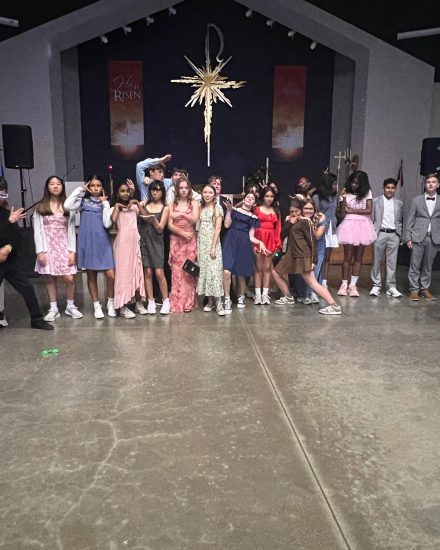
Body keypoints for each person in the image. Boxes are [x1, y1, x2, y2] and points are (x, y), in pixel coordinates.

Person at [271, 197, 342, 315]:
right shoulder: (294, 220)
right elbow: (282, 234)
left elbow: (312, 241)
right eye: (292, 211)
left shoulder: (306, 222)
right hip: (292, 255)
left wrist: (314, 260)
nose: (294, 213)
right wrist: (290, 222)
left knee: (312, 283)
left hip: (303, 255)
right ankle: (288, 296)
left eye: (296, 211)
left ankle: (333, 305)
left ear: (301, 210)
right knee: (275, 272)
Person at [0, 176, 53, 330]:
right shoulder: (9, 218)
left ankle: (37, 319)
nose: (1, 197)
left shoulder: (7, 213)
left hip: (9, 262)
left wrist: (8, 248)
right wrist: (9, 222)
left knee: (27, 288)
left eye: (3, 194)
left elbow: (17, 237)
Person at [64, 175, 116, 318]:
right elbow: (67, 205)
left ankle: (110, 303)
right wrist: (80, 190)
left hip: (103, 242)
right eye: (92, 185)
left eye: (98, 185)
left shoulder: (106, 203)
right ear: (88, 186)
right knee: (91, 275)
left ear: (102, 187)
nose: (95, 188)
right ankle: (96, 305)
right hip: (87, 242)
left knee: (111, 275)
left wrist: (105, 204)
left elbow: (107, 224)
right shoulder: (82, 202)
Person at [33, 175, 83, 321]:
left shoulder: (68, 207)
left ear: (62, 187)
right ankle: (53, 308)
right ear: (47, 187)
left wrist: (72, 251)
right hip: (48, 247)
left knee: (69, 277)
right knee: (50, 278)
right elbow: (37, 231)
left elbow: (72, 230)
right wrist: (40, 251)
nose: (55, 186)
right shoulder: (41, 207)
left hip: (64, 246)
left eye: (58, 184)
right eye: (52, 184)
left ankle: (70, 306)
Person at [222, 192, 268, 313]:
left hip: (244, 243)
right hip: (230, 240)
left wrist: (260, 242)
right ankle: (227, 299)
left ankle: (241, 297)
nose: (249, 199)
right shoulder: (234, 210)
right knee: (226, 271)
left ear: (254, 203)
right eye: (248, 197)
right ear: (244, 199)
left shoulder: (253, 218)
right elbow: (226, 225)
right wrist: (229, 211)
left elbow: (251, 236)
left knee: (241, 273)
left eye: (252, 198)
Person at [336, 171, 376, 296]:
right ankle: (344, 284)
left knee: (359, 256)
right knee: (347, 256)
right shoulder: (345, 193)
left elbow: (369, 210)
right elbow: (342, 214)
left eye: (357, 183)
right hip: (348, 225)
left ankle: (353, 285)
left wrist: (351, 210)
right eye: (352, 182)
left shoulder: (367, 193)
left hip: (364, 226)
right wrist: (343, 199)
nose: (354, 185)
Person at [110, 180, 146, 318]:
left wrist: (136, 202)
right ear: (117, 194)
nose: (125, 193)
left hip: (134, 243)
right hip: (122, 245)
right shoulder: (116, 208)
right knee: (123, 274)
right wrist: (117, 206)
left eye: (127, 191)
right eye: (122, 191)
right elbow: (113, 220)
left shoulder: (134, 207)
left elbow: (145, 216)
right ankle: (123, 306)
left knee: (137, 272)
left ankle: (138, 303)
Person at [404, 173, 440, 300]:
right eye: (428, 182)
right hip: (418, 237)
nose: (431, 184)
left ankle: (424, 289)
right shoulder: (417, 200)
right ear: (425, 185)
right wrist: (408, 237)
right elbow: (410, 219)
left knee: (428, 266)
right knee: (414, 265)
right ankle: (414, 290)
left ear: (438, 185)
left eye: (433, 182)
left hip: (434, 238)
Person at [138, 180, 170, 314]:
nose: (155, 192)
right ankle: (150, 301)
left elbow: (161, 229)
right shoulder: (144, 205)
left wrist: (153, 220)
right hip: (144, 242)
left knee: (159, 272)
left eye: (158, 190)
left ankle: (166, 301)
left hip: (157, 243)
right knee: (148, 272)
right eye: (153, 190)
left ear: (162, 192)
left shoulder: (165, 208)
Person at [168, 175, 200, 312]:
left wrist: (181, 215)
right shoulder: (172, 204)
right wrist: (181, 233)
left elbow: (195, 219)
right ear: (177, 189)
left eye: (186, 188)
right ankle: (176, 302)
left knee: (188, 271)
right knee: (176, 271)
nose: (183, 190)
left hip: (190, 239)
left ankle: (188, 303)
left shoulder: (194, 203)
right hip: (176, 239)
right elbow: (169, 225)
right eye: (181, 188)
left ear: (189, 189)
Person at [369, 178, 403, 298]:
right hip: (380, 233)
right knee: (376, 261)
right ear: (383, 188)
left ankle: (391, 286)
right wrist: (372, 234)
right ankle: (376, 285)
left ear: (395, 189)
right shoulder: (375, 201)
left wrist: (399, 234)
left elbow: (400, 220)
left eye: (392, 188)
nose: (390, 190)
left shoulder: (399, 203)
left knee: (392, 262)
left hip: (394, 234)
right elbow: (371, 219)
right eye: (388, 187)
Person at [197, 184, 225, 316]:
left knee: (215, 272)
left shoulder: (217, 208)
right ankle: (210, 301)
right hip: (202, 243)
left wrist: (213, 247)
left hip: (213, 243)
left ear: (214, 195)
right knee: (206, 272)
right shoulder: (200, 207)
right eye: (205, 192)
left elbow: (218, 229)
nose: (207, 195)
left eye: (210, 192)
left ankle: (219, 303)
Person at [253, 186, 281, 305]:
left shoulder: (276, 211)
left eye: (271, 196)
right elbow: (252, 227)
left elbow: (278, 229)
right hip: (258, 239)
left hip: (271, 240)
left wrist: (277, 245)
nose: (269, 198)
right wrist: (254, 243)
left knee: (267, 268)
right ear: (263, 197)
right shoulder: (256, 209)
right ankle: (257, 295)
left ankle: (265, 294)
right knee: (258, 268)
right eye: (267, 196)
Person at [313, 172, 339, 288]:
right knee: (319, 256)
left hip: (331, 228)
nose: (335, 186)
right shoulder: (317, 197)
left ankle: (323, 281)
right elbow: (315, 214)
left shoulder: (334, 196)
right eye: (334, 184)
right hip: (321, 228)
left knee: (327, 257)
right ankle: (314, 282)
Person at [300, 198, 326, 303]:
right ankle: (305, 293)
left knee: (315, 270)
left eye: (310, 209)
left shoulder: (320, 217)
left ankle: (312, 293)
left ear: (314, 209)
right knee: (304, 271)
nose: (308, 211)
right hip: (304, 247)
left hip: (317, 246)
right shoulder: (299, 217)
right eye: (305, 208)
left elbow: (318, 236)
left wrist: (309, 223)